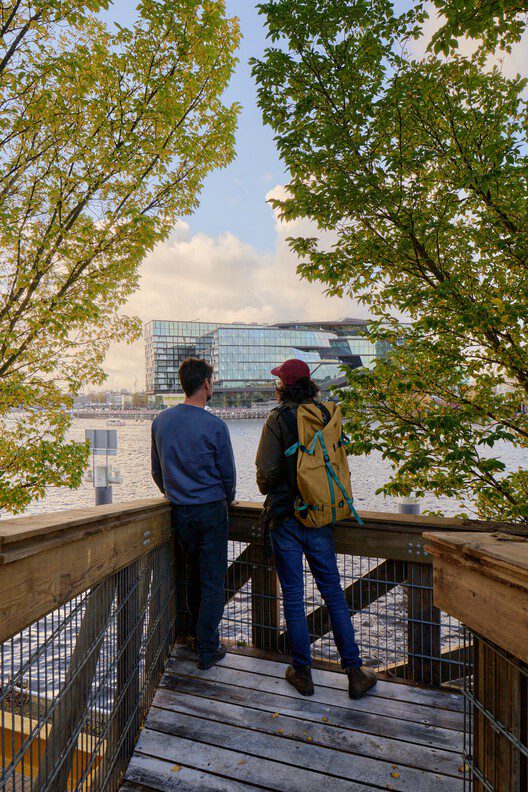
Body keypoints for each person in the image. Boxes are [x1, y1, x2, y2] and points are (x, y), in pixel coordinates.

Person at [255, 358, 376, 698]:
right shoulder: (325, 415)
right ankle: (354, 672)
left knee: (293, 595)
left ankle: (303, 673)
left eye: (278, 380)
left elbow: (264, 476)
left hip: (287, 519)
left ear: (284, 386)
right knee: (334, 593)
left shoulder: (277, 419)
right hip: (321, 514)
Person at [151, 357, 236, 670]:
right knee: (213, 580)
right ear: (206, 385)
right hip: (212, 510)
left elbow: (156, 471)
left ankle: (193, 637)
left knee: (191, 576)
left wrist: (174, 493)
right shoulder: (215, 425)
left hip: (180, 512)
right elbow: (228, 476)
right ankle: (207, 648)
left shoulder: (160, 421)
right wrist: (227, 499)